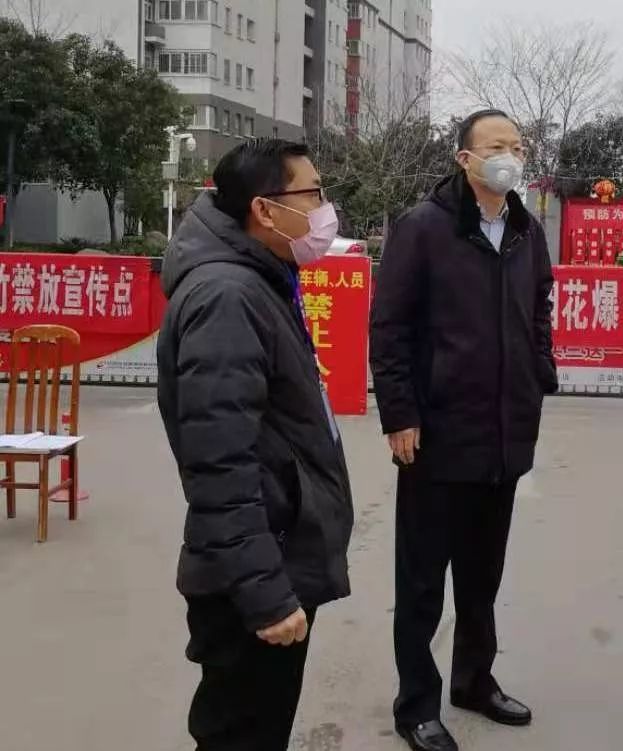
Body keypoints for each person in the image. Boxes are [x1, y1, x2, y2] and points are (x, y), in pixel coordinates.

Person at [156, 139, 354, 751]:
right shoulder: (227, 297)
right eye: (312, 194)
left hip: (274, 550)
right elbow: (221, 465)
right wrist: (266, 593)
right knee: (242, 733)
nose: (325, 210)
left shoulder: (261, 278)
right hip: (255, 572)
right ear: (265, 210)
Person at [370, 109, 558, 751]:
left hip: (504, 432)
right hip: (437, 433)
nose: (511, 156)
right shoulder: (424, 227)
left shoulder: (526, 230)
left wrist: (539, 371)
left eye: (518, 147)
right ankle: (416, 704)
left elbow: (539, 308)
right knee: (422, 582)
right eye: (497, 146)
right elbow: (389, 327)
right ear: (465, 159)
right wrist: (400, 414)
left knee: (482, 576)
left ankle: (475, 681)